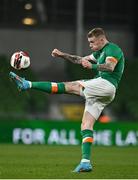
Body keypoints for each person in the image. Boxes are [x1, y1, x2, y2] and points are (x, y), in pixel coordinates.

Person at [9, 27, 125, 173]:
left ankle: (27, 84)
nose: (90, 45)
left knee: (71, 86)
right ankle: (85, 162)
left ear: (101, 39)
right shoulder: (99, 52)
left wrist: (93, 66)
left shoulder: (113, 49)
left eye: (92, 42)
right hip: (102, 92)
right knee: (86, 124)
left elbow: (110, 66)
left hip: (106, 84)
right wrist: (61, 54)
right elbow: (80, 60)